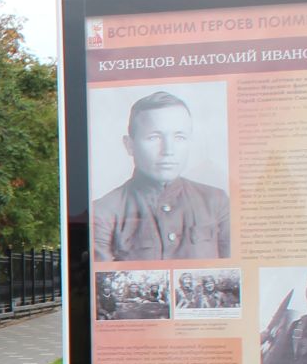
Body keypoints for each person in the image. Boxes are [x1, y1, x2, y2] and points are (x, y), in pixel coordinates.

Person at [91, 91, 231, 261]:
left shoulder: (215, 202)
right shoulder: (104, 211)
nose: (168, 150)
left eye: (179, 137)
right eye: (154, 137)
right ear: (129, 145)